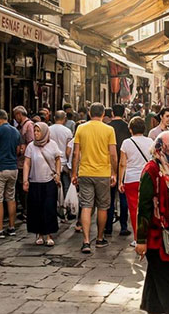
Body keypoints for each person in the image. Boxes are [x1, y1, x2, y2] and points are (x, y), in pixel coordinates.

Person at [136, 131, 169, 314]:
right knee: (168, 278)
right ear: (167, 148)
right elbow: (144, 207)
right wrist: (141, 240)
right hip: (156, 236)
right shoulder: (151, 169)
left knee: (156, 275)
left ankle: (153, 309)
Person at [72, 102, 118, 254]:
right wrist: (114, 173)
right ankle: (99, 238)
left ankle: (86, 241)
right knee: (103, 206)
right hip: (103, 173)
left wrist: (74, 173)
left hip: (85, 172)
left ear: (90, 113)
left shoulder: (81, 128)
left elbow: (76, 153)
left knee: (86, 206)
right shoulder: (109, 130)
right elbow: (113, 154)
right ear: (104, 114)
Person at [23, 122, 63, 246]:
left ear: (45, 132)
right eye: (35, 131)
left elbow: (57, 160)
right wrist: (25, 180)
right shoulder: (31, 146)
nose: (36, 133)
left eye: (38, 131)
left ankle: (49, 234)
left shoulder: (52, 145)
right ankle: (39, 234)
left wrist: (57, 174)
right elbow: (27, 163)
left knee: (49, 207)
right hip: (35, 181)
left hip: (49, 181)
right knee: (36, 208)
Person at [119, 116, 155, 247]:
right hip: (147, 178)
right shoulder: (150, 141)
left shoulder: (126, 143)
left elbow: (122, 164)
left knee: (134, 210)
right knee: (148, 207)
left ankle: (137, 238)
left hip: (131, 179)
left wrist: (120, 181)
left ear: (130, 129)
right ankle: (148, 236)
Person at [0, 109, 21, 239]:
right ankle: (11, 227)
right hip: (13, 168)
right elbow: (18, 150)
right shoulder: (16, 131)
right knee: (11, 198)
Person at [107, 104, 133, 237]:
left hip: (109, 166)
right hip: (124, 165)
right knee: (123, 196)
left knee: (109, 198)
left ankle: (108, 227)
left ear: (112, 112)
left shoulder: (108, 127)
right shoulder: (127, 127)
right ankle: (123, 226)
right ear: (124, 113)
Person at [49, 110, 75, 220]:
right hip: (64, 163)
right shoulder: (67, 131)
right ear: (64, 119)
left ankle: (54, 209)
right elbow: (69, 149)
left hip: (52, 162)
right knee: (66, 186)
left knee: (53, 188)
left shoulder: (48, 130)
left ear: (54, 118)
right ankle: (68, 209)